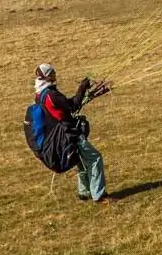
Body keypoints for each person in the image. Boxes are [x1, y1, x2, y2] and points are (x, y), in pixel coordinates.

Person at [33, 63, 114, 204]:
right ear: (47, 76)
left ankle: (84, 192)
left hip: (62, 134)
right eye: (52, 73)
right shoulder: (51, 95)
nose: (54, 75)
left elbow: (66, 105)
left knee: (81, 160)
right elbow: (73, 106)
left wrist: (88, 91)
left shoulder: (40, 94)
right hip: (69, 133)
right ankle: (99, 195)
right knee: (94, 158)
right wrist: (82, 88)